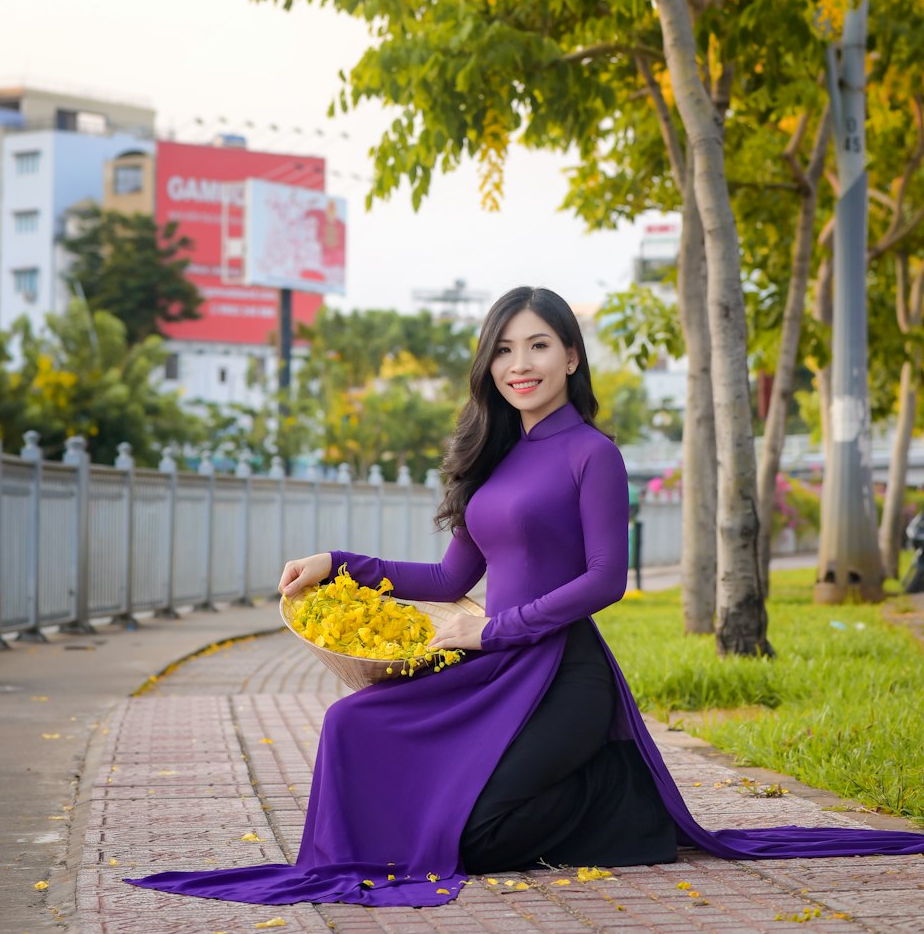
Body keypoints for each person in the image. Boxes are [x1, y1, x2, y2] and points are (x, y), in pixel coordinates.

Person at [129, 286, 924, 912]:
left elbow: (604, 581)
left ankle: (622, 794)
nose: (521, 362)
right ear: (489, 363)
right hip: (496, 662)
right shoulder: (495, 458)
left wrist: (498, 631)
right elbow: (447, 580)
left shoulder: (593, 456)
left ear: (571, 357)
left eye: (539, 345)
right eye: (506, 348)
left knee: (479, 836)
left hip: (561, 674)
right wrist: (336, 563)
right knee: (352, 721)